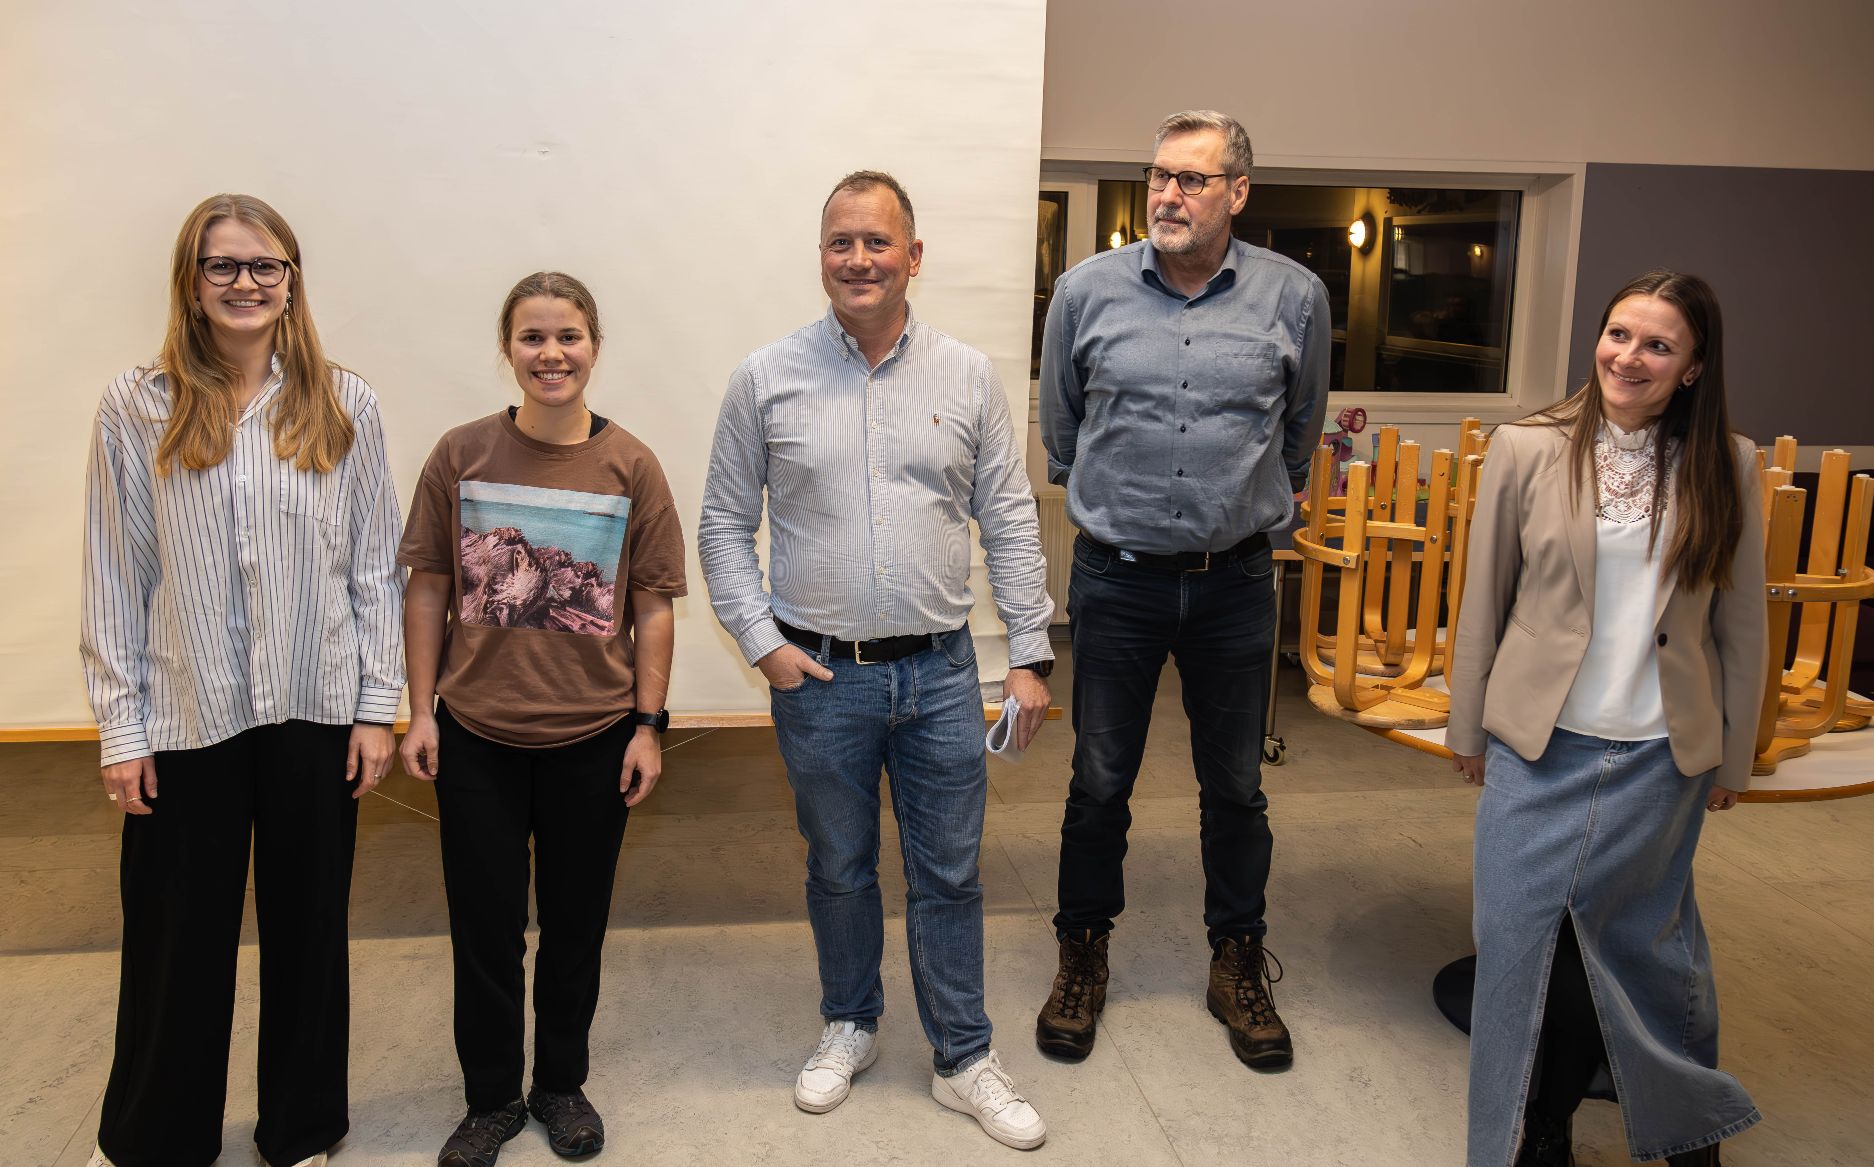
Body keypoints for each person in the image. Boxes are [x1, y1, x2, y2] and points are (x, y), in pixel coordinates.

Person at [697, 170, 1055, 1150]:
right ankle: (849, 1022)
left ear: (913, 256)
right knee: (840, 867)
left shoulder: (966, 376)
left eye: (877, 241)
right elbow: (723, 524)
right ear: (821, 256)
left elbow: (1008, 518)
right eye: (840, 242)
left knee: (949, 875)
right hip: (821, 680)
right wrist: (762, 643)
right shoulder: (764, 377)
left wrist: (1030, 653)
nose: (858, 259)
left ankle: (963, 1057)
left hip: (939, 674)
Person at [80, 193, 404, 1167]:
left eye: (265, 266)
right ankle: (156, 1136)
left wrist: (376, 708)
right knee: (175, 939)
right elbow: (115, 572)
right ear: (191, 283)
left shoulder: (345, 404)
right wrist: (121, 728)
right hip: (187, 714)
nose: (245, 283)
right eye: (222, 265)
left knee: (309, 932)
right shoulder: (135, 406)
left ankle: (300, 1130)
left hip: (316, 708)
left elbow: (374, 567)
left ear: (291, 282)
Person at [1447, 270, 1766, 1167]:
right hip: (1539, 747)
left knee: (1639, 953)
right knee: (1514, 949)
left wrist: (1733, 756)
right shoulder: (1525, 447)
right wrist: (1468, 728)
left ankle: (1681, 1125)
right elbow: (1485, 596)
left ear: (1693, 367)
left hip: (1662, 756)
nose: (1629, 356)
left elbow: (1742, 624)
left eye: (1658, 344)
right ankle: (1518, 1138)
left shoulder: (1730, 462)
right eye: (1619, 334)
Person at [1035, 110, 1330, 1069]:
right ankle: (1083, 953)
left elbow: (1298, 436)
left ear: (1237, 192)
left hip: (1236, 583)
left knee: (1236, 787)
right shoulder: (1086, 291)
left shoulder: (1295, 297)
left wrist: (1235, 506)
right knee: (1098, 782)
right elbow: (1063, 432)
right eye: (1159, 175)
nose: (1167, 194)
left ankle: (1236, 961)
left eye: (1191, 179)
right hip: (1116, 580)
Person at [398, 272, 686, 1167]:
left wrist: (648, 724)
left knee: (574, 926)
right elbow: (428, 587)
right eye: (532, 337)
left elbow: (653, 605)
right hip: (475, 736)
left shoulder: (631, 464)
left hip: (593, 740)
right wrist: (419, 712)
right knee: (483, 930)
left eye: (568, 336)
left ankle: (560, 1084)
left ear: (593, 345)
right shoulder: (461, 454)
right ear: (508, 348)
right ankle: (491, 1099)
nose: (551, 353)